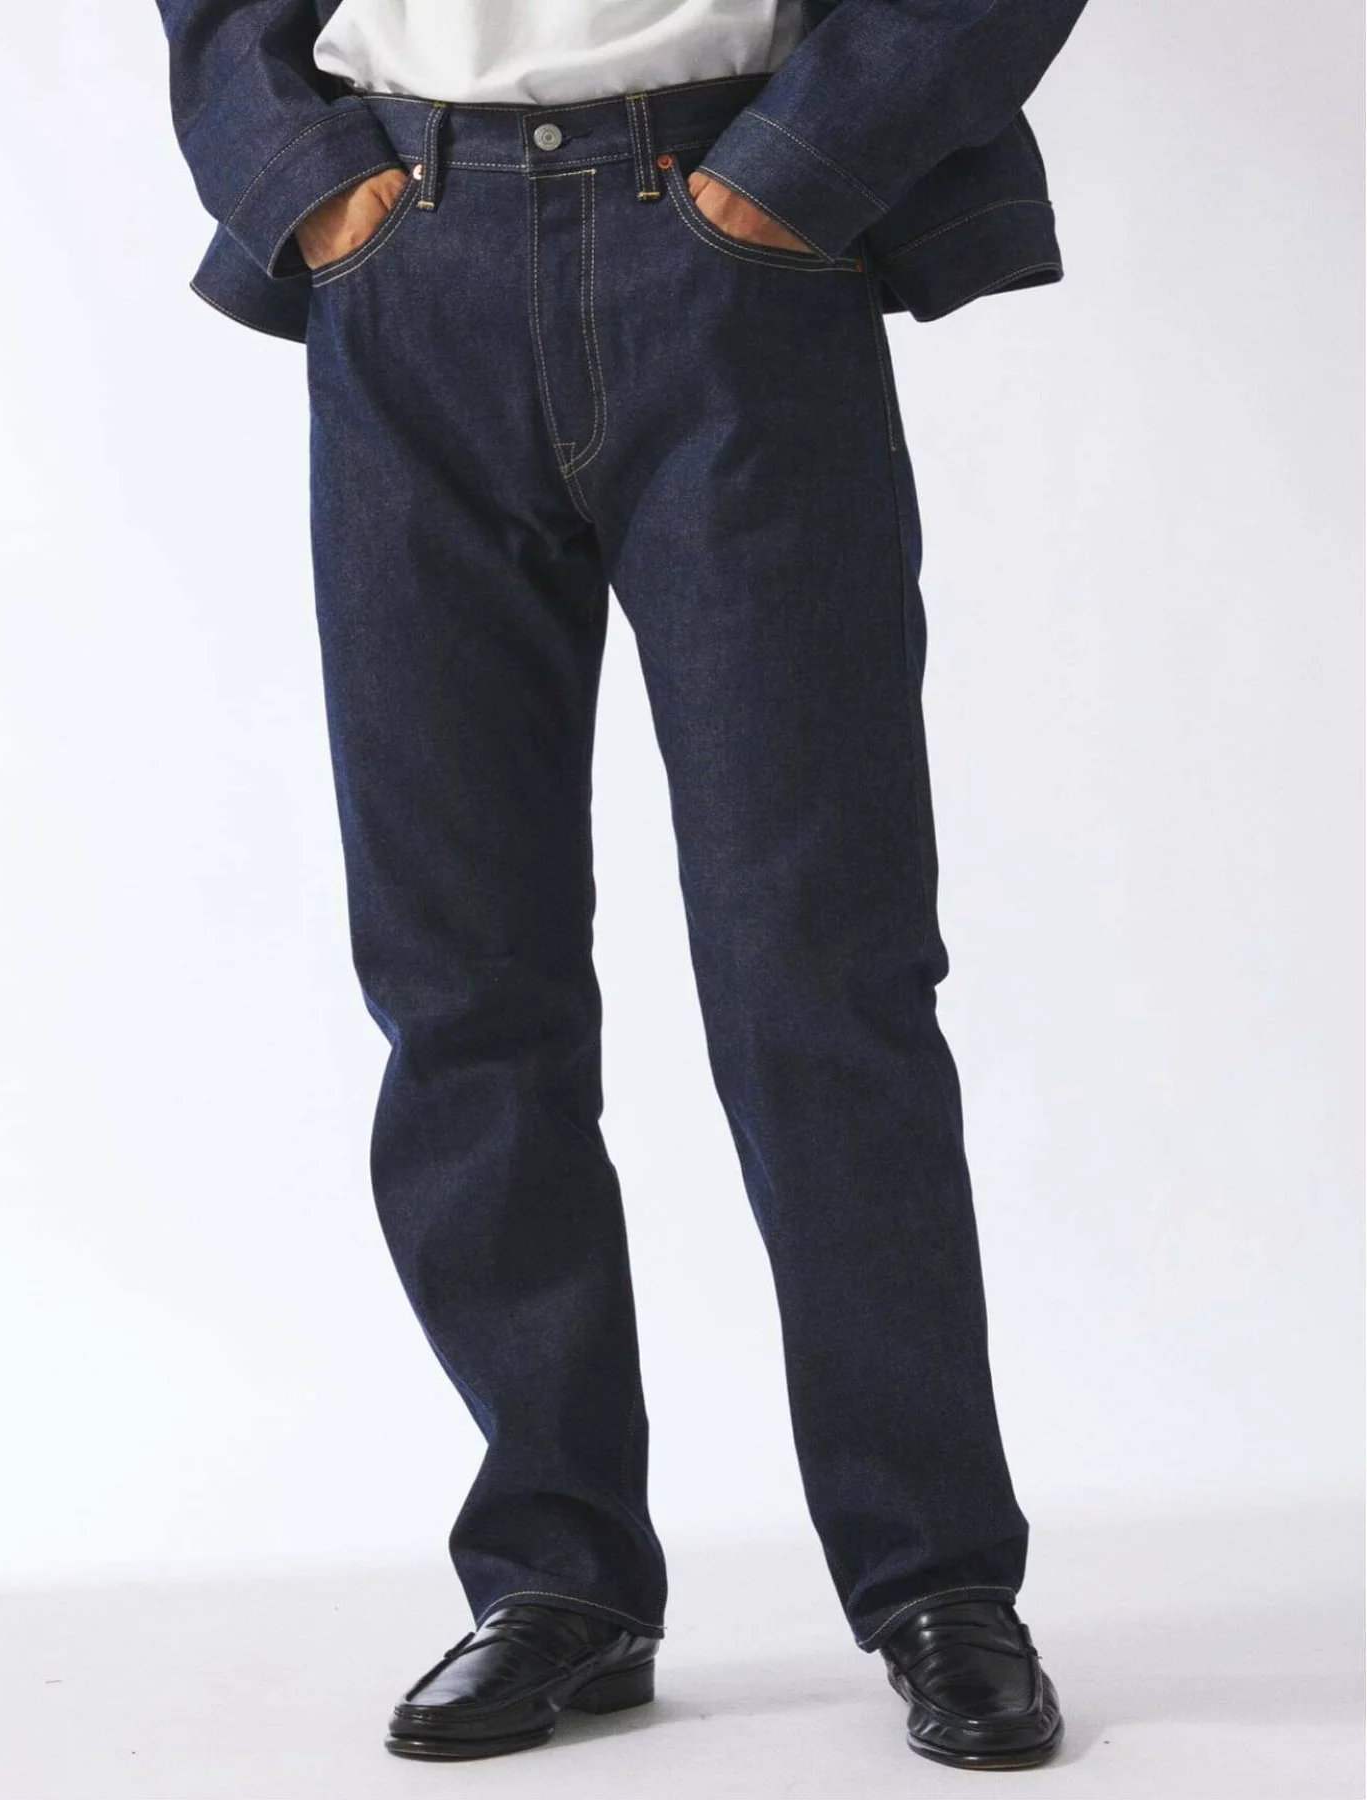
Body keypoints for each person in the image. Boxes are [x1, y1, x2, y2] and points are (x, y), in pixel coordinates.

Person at [153, 0, 1088, 1769]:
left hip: (735, 243)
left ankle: (938, 1580)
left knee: (820, 977)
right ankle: (556, 1580)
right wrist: (308, 179)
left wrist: (798, 169)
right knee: (460, 980)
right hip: (404, 257)